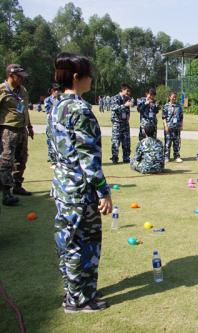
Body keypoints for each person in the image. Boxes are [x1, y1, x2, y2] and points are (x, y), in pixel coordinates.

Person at [49, 52, 112, 313]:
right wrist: (103, 192)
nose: (91, 79)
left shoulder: (56, 106)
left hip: (63, 186)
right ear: (77, 78)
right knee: (83, 244)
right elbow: (89, 162)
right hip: (81, 191)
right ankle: (79, 300)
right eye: (88, 75)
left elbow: (53, 151)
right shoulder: (80, 110)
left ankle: (74, 291)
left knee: (69, 240)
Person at [0, 64, 34, 206]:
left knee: (22, 158)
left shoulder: (23, 90)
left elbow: (24, 109)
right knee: (7, 161)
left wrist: (29, 126)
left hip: (22, 130)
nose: (22, 79)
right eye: (19, 76)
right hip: (8, 130)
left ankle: (17, 185)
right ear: (11, 75)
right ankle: (6, 193)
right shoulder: (2, 90)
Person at [110, 83, 132, 164]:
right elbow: (114, 108)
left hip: (125, 123)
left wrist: (128, 116)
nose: (128, 93)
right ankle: (114, 158)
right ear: (122, 90)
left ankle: (126, 158)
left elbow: (128, 110)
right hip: (117, 123)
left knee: (126, 142)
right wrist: (124, 105)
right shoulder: (115, 98)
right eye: (127, 91)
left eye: (129, 91)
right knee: (116, 142)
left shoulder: (127, 98)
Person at [162, 91, 183, 162]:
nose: (174, 98)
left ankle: (176, 156)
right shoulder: (166, 106)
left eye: (175, 97)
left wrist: (181, 125)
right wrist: (165, 126)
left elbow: (181, 117)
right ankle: (166, 157)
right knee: (167, 143)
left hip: (176, 127)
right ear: (169, 97)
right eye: (173, 96)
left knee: (177, 143)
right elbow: (164, 117)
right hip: (169, 127)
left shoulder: (179, 106)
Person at [44, 83, 62, 168]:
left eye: (58, 90)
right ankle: (53, 161)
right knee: (51, 142)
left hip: (60, 124)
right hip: (50, 125)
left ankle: (60, 160)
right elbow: (49, 110)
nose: (58, 92)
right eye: (56, 90)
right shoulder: (48, 100)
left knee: (60, 142)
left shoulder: (62, 99)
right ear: (52, 91)